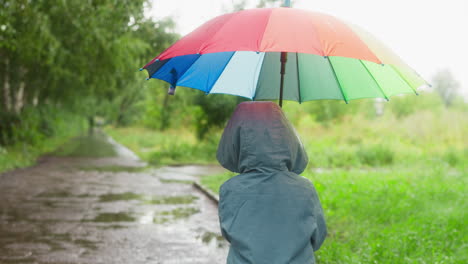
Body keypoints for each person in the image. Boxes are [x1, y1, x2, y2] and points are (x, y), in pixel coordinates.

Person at [217, 101, 327, 264]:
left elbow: (229, 235)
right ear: (287, 138)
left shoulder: (229, 189)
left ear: (236, 140)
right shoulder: (305, 189)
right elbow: (318, 238)